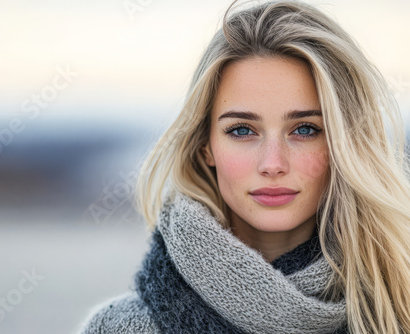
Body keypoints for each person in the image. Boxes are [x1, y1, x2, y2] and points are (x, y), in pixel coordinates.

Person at [78, 0, 410, 333]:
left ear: (345, 143)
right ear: (205, 145)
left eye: (305, 129)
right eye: (242, 130)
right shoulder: (118, 328)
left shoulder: (398, 315)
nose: (273, 164)